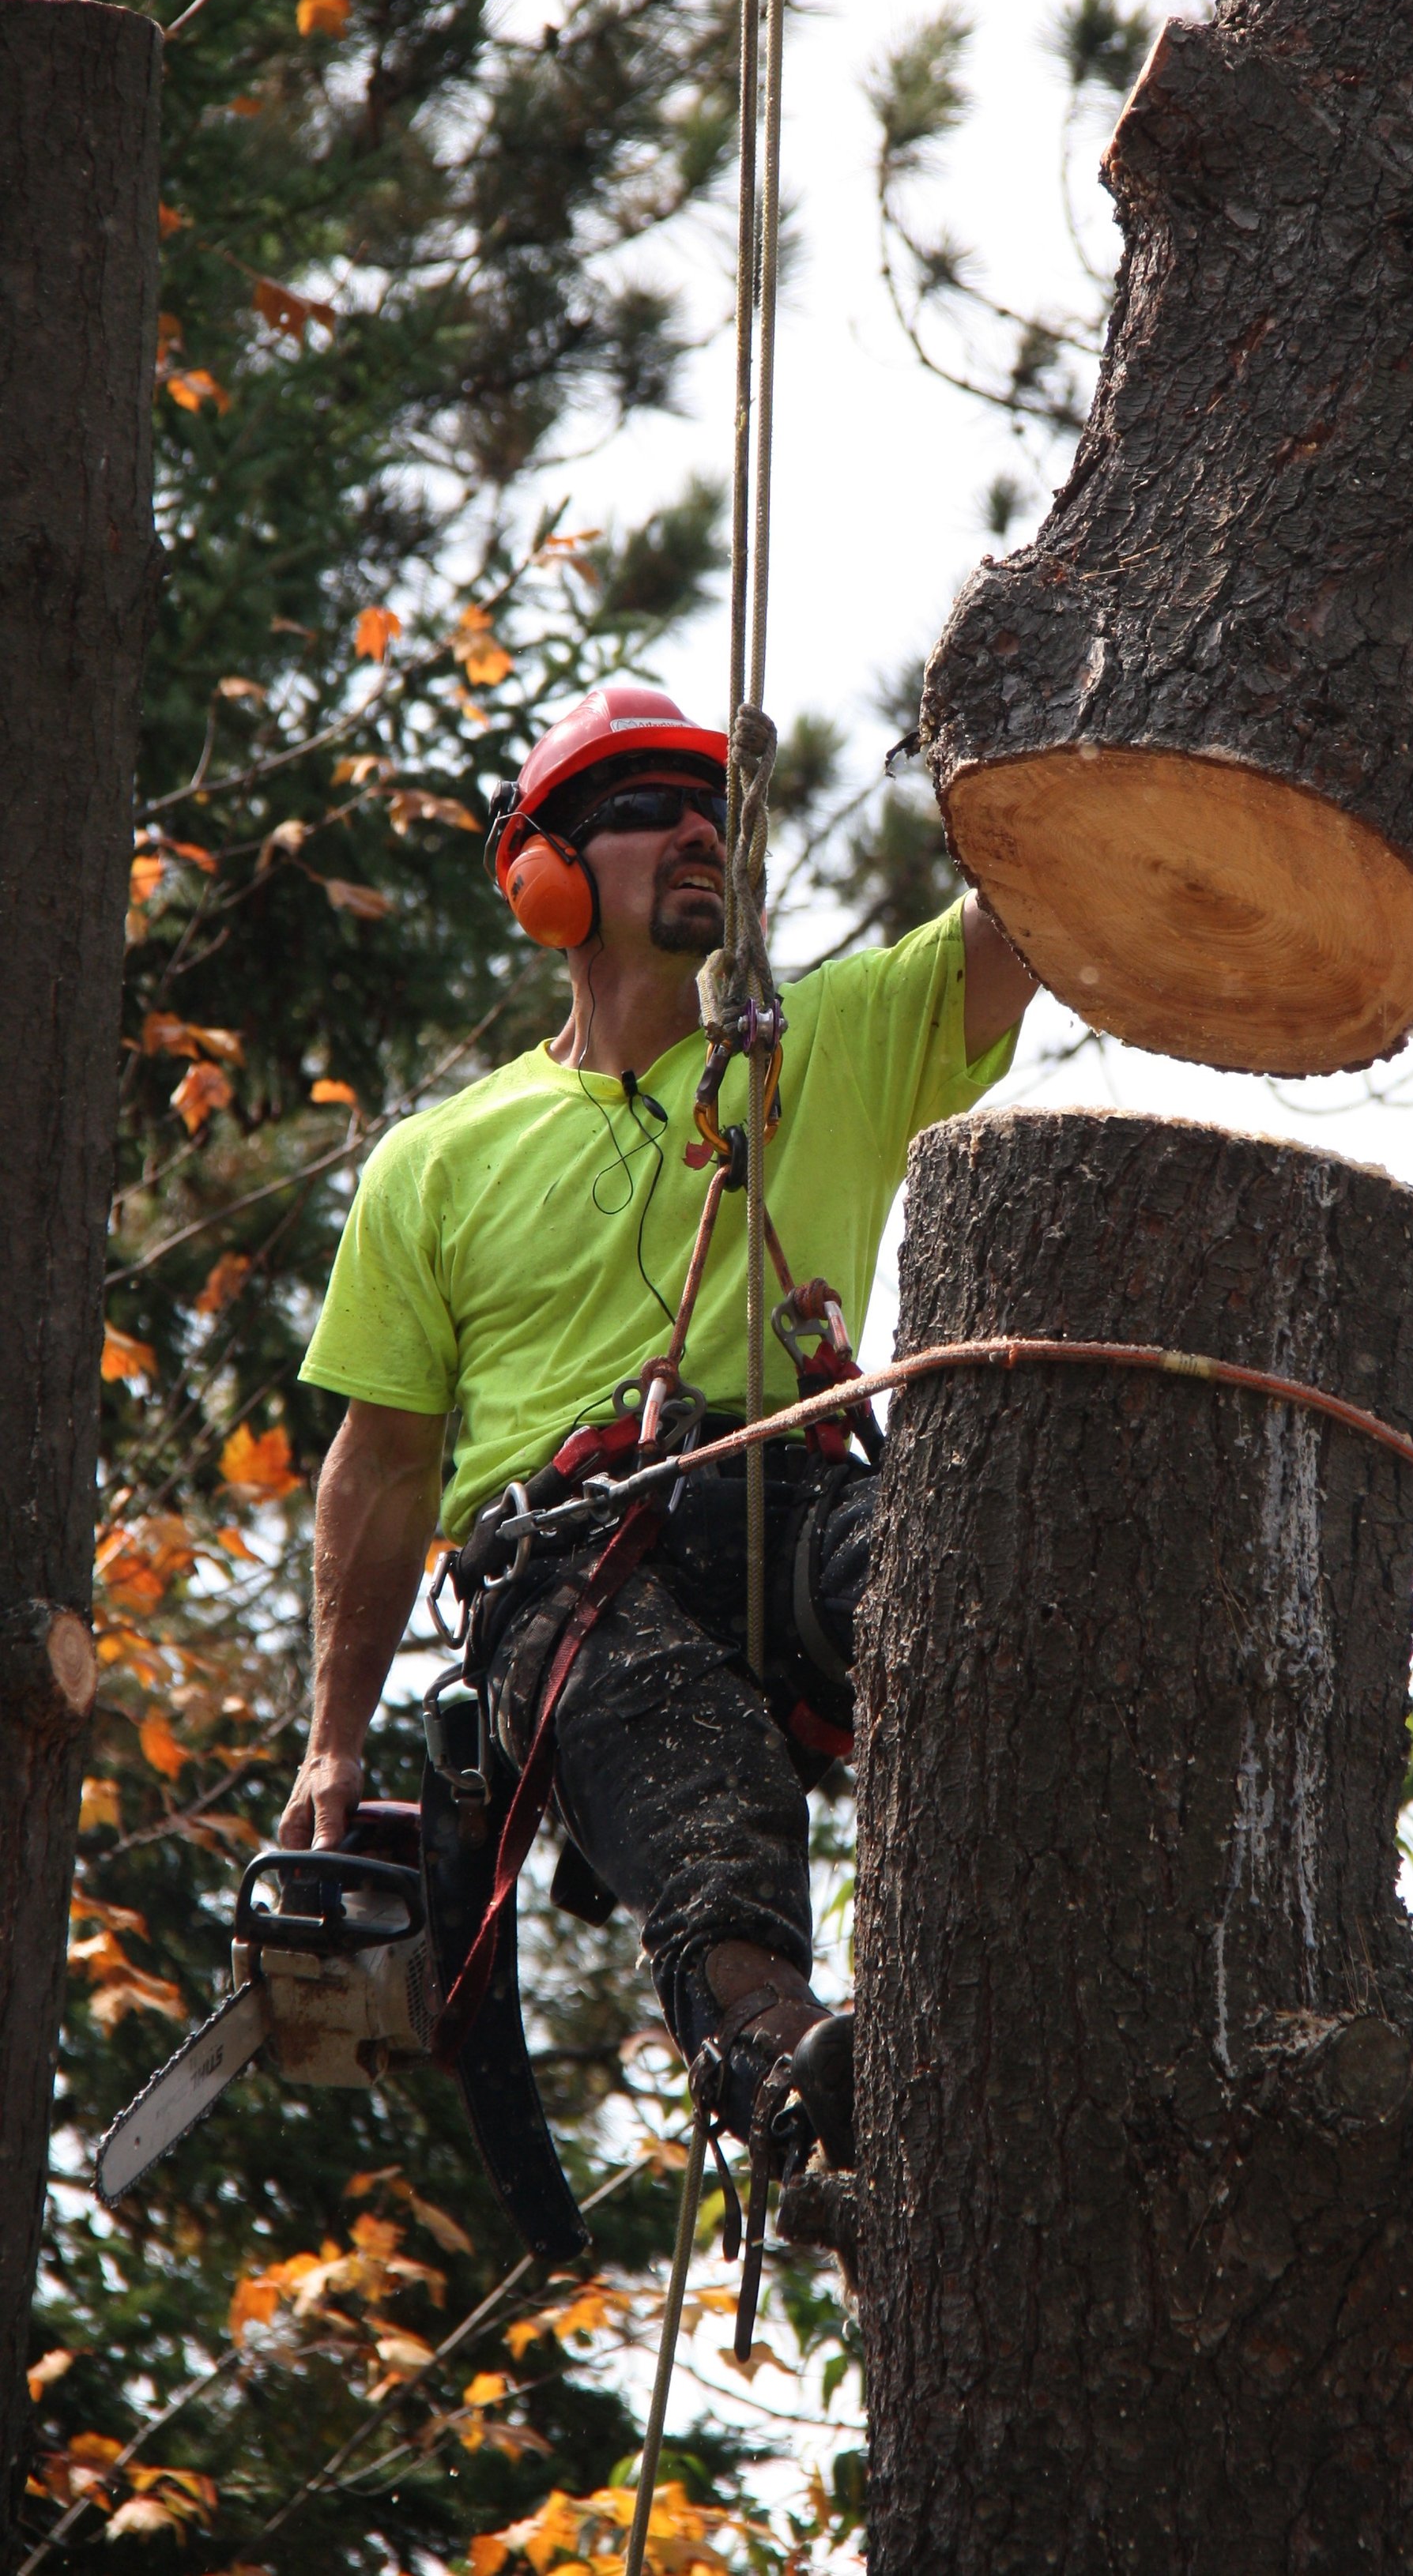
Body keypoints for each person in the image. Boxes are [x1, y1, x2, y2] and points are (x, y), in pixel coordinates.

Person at [281, 680, 1035, 2162]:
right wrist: (331, 1741)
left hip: (787, 1496)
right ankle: (780, 2054)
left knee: (956, 1579)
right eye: (647, 811)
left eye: (713, 814)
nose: (698, 830)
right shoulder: (436, 1165)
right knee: (683, 1763)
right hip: (563, 1572)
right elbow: (378, 1471)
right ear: (547, 877)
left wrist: (1021, 729)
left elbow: (1034, 926)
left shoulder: (824, 1034)